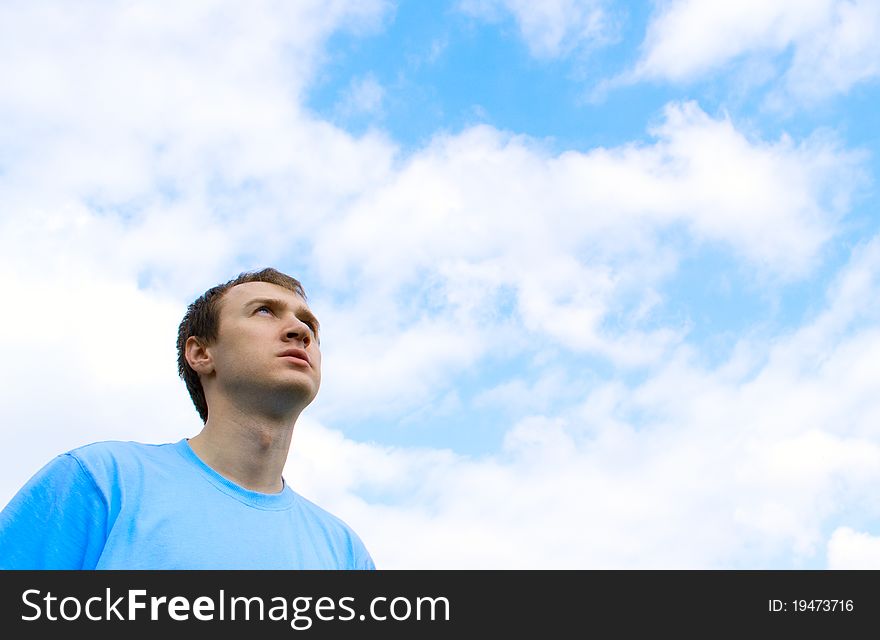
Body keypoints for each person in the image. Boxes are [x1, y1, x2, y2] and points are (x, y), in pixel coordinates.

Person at [0, 268, 375, 569]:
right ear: (200, 353)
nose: (301, 331)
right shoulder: (101, 480)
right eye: (264, 311)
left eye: (309, 324)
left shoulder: (344, 552)